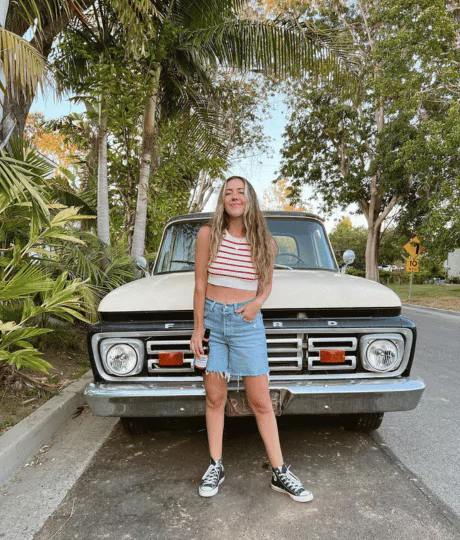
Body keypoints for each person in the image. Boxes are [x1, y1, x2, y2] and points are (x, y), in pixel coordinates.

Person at [190, 175, 313, 503]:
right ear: (222, 200)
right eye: (228, 192)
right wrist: (198, 328)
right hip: (215, 324)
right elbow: (200, 284)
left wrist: (256, 303)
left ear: (249, 199)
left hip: (247, 325)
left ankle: (280, 471)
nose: (234, 197)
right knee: (215, 399)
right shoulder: (207, 236)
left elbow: (266, 285)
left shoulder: (265, 242)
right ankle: (216, 465)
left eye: (240, 192)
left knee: (261, 401)